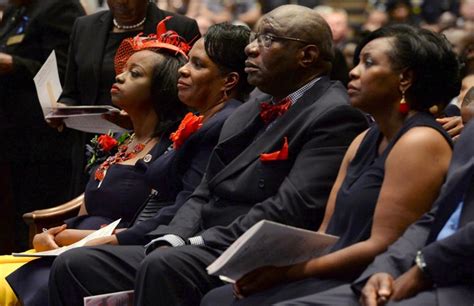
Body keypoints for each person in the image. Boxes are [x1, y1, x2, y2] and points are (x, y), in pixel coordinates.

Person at [48, 5, 368, 306]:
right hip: (200, 241)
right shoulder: (256, 104)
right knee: (74, 264)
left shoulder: (333, 113)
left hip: (253, 250)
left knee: (164, 264)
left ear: (307, 55)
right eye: (253, 38)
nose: (251, 48)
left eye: (266, 39)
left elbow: (290, 209)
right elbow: (204, 190)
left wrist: (193, 243)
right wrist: (173, 236)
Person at [201, 24, 459, 305]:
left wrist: (286, 273)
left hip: (368, 278)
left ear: (405, 78)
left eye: (369, 63)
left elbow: (383, 246)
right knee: (219, 297)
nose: (353, 71)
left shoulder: (419, 141)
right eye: (358, 61)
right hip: (330, 267)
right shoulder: (363, 138)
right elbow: (326, 233)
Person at [1, 22, 191, 306]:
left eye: (134, 74)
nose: (120, 76)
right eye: (123, 69)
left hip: (101, 256)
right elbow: (84, 209)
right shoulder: (119, 143)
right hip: (63, 247)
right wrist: (48, 237)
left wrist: (67, 237)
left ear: (160, 90)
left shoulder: (170, 150)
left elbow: (152, 227)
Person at [59, 0, 201, 198]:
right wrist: (62, 110)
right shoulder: (84, 26)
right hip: (89, 140)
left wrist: (141, 120)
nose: (121, 2)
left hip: (155, 139)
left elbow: (190, 94)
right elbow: (70, 91)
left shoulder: (180, 26)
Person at [0, 0, 85, 252]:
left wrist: (13, 64)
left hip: (41, 139)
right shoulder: (17, 9)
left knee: (35, 210)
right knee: (13, 212)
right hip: (12, 135)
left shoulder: (60, 7)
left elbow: (65, 70)